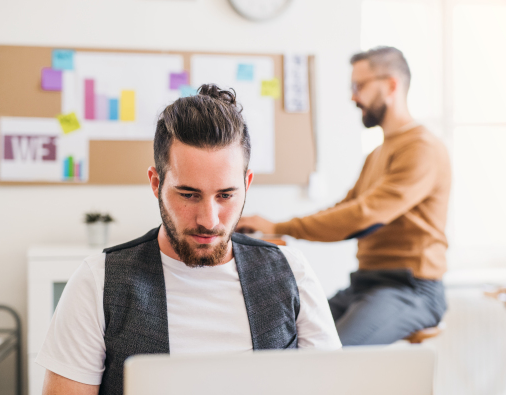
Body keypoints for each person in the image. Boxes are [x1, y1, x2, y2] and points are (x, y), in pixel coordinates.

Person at [37, 85, 341, 395]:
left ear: (247, 185)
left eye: (226, 195)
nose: (209, 220)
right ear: (156, 183)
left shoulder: (291, 271)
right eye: (189, 194)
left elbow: (332, 386)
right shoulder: (97, 281)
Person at [238, 47, 451, 346]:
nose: (353, 96)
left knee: (331, 356)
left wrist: (280, 227)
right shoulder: (378, 153)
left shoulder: (421, 148)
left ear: (391, 85)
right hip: (366, 284)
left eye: (359, 86)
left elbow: (363, 216)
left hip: (410, 289)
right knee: (285, 338)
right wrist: (277, 226)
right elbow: (347, 208)